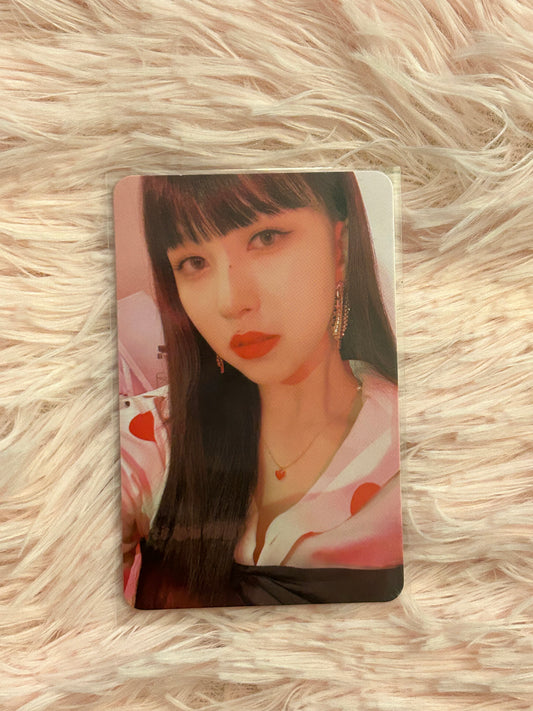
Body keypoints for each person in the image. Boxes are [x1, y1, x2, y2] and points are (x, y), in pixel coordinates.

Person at [120, 172, 403, 608]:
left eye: (265, 238)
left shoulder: (415, 446)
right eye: (194, 262)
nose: (231, 301)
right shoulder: (150, 433)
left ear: (340, 249)